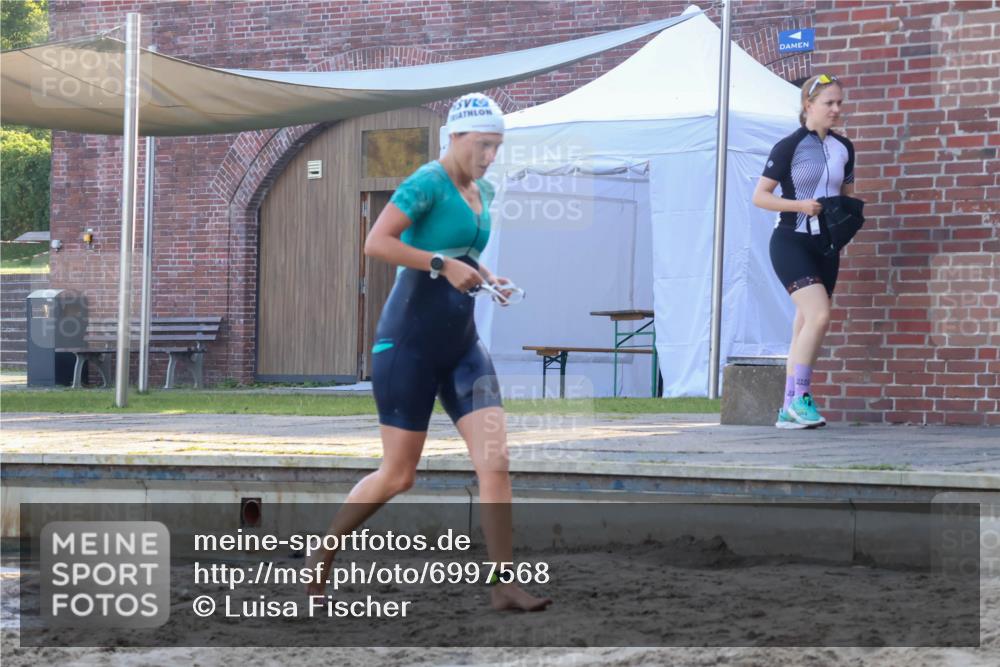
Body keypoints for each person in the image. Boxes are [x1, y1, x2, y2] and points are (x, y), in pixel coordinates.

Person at [307, 92, 551, 612]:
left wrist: (487, 277)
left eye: (497, 147)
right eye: (482, 145)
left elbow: (465, 252)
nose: (489, 157)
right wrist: (440, 264)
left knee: (496, 461)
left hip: (462, 345)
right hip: (409, 344)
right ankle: (324, 552)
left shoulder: (481, 188)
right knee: (399, 474)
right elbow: (377, 242)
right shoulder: (426, 182)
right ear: (455, 137)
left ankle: (503, 583)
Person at [751, 74, 856, 429]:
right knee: (820, 316)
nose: (836, 109)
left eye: (839, 102)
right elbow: (760, 196)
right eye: (829, 103)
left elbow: (845, 195)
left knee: (803, 324)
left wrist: (847, 215)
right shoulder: (789, 146)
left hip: (826, 246)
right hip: (790, 241)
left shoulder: (845, 148)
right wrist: (799, 205)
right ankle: (801, 398)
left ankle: (787, 410)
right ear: (808, 105)